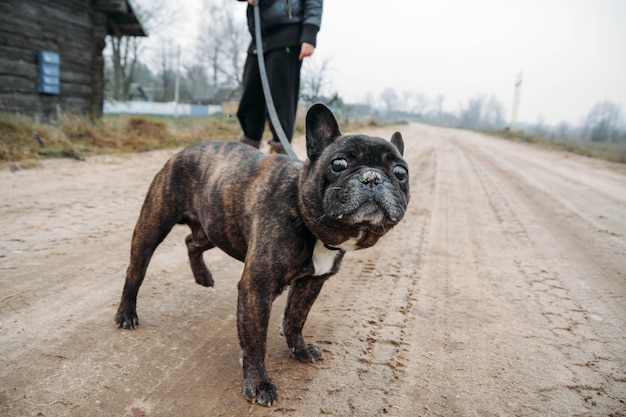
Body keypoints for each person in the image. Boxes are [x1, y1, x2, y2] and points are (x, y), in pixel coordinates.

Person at [236, 0, 323, 153]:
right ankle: (248, 153)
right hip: (259, 37)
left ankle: (280, 155)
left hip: (287, 33)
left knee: (281, 103)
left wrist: (310, 33)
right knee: (250, 101)